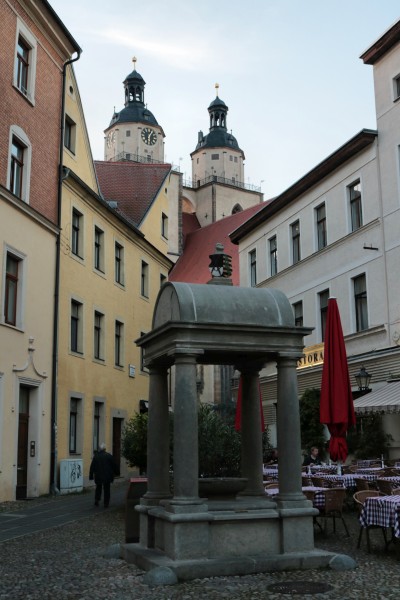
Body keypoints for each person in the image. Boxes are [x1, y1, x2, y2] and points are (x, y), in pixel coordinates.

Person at [89, 443, 119, 507]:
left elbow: (92, 467)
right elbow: (114, 465)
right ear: (105, 449)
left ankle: (97, 500)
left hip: (98, 475)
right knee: (107, 489)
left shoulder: (96, 456)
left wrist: (91, 476)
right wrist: (117, 473)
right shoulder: (109, 456)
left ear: (99, 449)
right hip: (107, 476)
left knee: (98, 488)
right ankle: (106, 503)